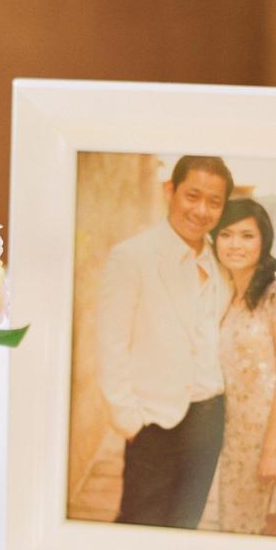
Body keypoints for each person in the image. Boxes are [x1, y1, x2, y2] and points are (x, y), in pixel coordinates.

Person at [96, 155, 234, 529]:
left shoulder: (222, 261)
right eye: (192, 196)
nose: (202, 210)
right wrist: (129, 420)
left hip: (208, 417)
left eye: (214, 201)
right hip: (154, 420)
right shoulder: (132, 257)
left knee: (185, 523)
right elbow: (111, 343)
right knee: (140, 522)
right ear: (170, 191)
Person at [213, 198, 276, 537]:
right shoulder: (227, 296)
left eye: (246, 235)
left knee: (269, 541)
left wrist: (271, 451)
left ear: (264, 241)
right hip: (238, 440)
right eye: (226, 234)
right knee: (235, 530)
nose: (235, 245)